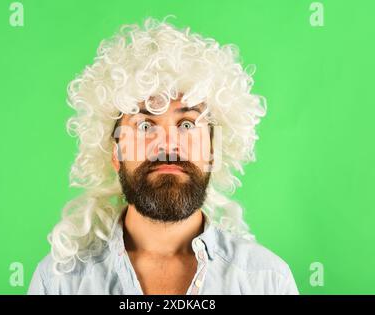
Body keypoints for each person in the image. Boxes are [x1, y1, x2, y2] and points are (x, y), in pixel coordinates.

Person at [28, 16, 299, 295]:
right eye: (145, 125)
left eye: (187, 124)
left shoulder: (268, 281)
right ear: (116, 152)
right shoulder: (59, 282)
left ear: (211, 149)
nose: (168, 144)